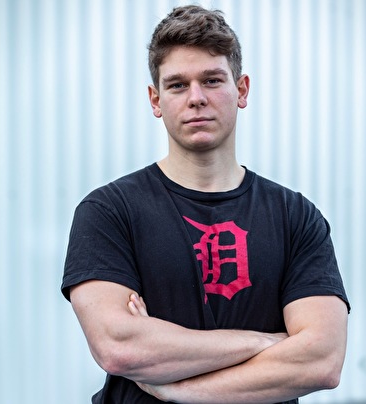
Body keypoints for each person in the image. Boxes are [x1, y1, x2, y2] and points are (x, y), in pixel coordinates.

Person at [61, 4, 350, 403]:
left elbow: (322, 361)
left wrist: (177, 389)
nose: (196, 98)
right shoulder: (109, 211)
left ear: (242, 90)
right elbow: (120, 347)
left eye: (212, 80)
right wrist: (267, 342)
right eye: (178, 85)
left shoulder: (295, 216)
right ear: (155, 99)